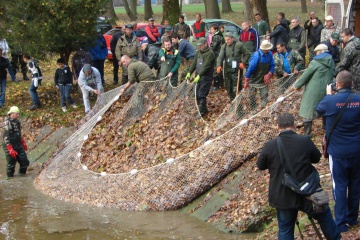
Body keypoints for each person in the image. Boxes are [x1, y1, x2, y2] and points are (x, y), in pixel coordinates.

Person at [257, 112, 341, 240]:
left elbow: (260, 165)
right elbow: (317, 158)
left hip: (283, 195)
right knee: (325, 217)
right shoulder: (304, 140)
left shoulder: (270, 145)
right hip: (309, 193)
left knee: (285, 229)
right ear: (294, 125)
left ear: (277, 127)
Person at [316, 70, 360, 233]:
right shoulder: (358, 99)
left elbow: (318, 109)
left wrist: (328, 95)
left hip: (338, 153)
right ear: (352, 84)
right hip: (357, 150)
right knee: (355, 184)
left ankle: (341, 223)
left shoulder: (330, 101)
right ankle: (352, 217)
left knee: (339, 186)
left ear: (337, 84)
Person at [294, 44, 334, 135]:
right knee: (325, 107)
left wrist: (297, 85)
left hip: (313, 90)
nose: (316, 54)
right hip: (327, 89)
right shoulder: (331, 62)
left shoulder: (315, 62)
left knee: (308, 109)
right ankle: (325, 127)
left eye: (317, 52)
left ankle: (307, 133)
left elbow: (306, 75)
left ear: (320, 52)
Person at [216, 32, 250, 101]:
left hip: (236, 70)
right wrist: (218, 65)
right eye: (226, 40)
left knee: (236, 89)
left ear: (232, 39)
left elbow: (247, 54)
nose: (227, 41)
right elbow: (220, 57)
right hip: (227, 69)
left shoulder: (238, 45)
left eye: (228, 39)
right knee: (229, 89)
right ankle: (232, 102)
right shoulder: (224, 46)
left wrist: (243, 62)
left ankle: (237, 105)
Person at [185, 38, 215, 116]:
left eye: (201, 45)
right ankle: (204, 109)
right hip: (198, 76)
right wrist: (189, 72)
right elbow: (194, 63)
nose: (200, 47)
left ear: (205, 44)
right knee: (196, 94)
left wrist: (199, 75)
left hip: (206, 77)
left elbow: (206, 66)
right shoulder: (198, 53)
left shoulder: (210, 53)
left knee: (201, 94)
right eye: (199, 46)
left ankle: (202, 112)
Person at [243, 40, 275, 110]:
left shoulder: (269, 54)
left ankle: (263, 109)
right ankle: (253, 109)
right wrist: (246, 79)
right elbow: (250, 68)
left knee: (264, 94)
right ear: (264, 48)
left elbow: (272, 65)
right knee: (252, 96)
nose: (269, 49)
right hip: (254, 79)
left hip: (263, 79)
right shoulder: (256, 55)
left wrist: (269, 74)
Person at [3, 106, 30, 178]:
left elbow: (18, 133)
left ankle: (22, 176)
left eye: (18, 114)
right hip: (10, 145)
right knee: (11, 164)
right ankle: (10, 178)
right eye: (16, 114)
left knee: (25, 162)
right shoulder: (7, 123)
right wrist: (10, 148)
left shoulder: (17, 122)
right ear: (11, 114)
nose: (18, 115)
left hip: (18, 144)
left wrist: (22, 141)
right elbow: (6, 137)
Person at [209, 24, 225, 90]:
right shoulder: (219, 35)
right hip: (219, 55)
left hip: (217, 55)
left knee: (216, 69)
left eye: (212, 29)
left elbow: (213, 47)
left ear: (216, 29)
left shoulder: (216, 36)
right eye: (210, 29)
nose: (211, 30)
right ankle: (221, 84)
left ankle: (216, 85)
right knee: (219, 68)